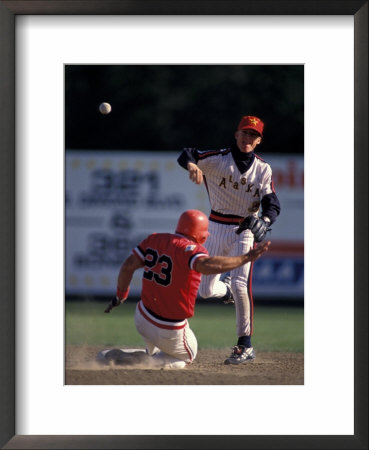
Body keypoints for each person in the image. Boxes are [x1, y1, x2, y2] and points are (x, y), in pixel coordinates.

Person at [102, 209, 270, 369]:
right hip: (169, 329)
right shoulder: (191, 250)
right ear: (202, 235)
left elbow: (127, 266)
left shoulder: (154, 239)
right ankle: (145, 362)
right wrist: (246, 258)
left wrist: (120, 296)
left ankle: (144, 353)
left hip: (141, 318)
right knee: (187, 355)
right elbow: (207, 264)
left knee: (156, 341)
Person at [177, 116, 281, 365]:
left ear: (259, 141)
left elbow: (272, 203)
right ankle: (227, 292)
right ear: (236, 135)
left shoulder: (262, 169)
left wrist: (265, 221)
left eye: (253, 135)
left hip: (244, 229)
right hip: (214, 228)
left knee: (241, 283)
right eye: (244, 133)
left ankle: (244, 344)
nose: (248, 139)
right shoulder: (218, 158)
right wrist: (192, 165)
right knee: (205, 290)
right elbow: (187, 154)